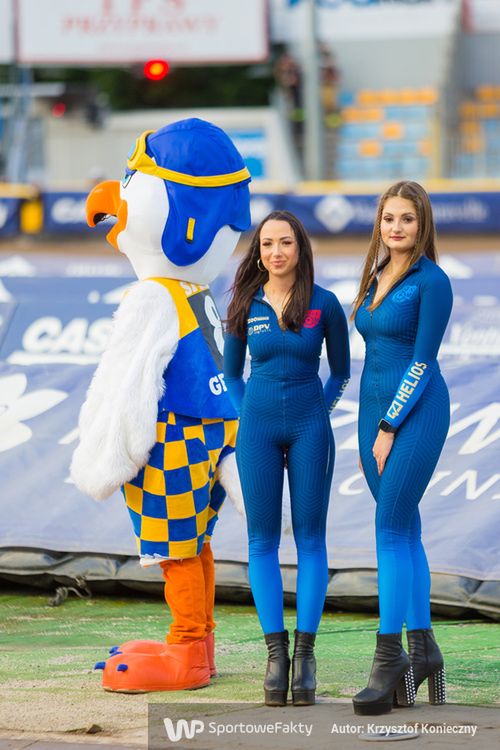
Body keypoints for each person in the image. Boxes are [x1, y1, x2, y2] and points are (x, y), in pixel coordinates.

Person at [223, 210, 350, 707]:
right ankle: (276, 658)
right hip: (256, 432)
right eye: (268, 244)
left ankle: (306, 657)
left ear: (300, 249)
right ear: (258, 252)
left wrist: (320, 411)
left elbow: (340, 373)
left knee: (311, 539)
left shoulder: (324, 303)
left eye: (286, 243)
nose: (276, 252)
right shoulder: (245, 301)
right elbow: (232, 375)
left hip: (309, 431)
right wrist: (247, 416)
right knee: (262, 541)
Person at [351, 181, 453, 715]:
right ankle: (424, 648)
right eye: (389, 218)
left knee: (390, 529)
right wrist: (372, 424)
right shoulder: (376, 275)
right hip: (373, 416)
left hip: (415, 413)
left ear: (422, 224)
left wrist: (390, 424)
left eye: (407, 219)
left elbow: (422, 362)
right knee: (405, 528)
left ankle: (388, 658)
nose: (396, 227)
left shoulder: (432, 281)